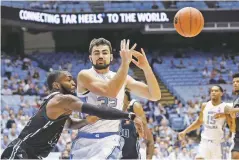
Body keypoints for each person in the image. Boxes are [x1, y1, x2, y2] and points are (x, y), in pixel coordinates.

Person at [1, 70, 144, 159]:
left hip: (33, 155)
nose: (73, 82)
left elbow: (69, 124)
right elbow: (97, 109)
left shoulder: (58, 104)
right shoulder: (63, 99)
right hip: (20, 152)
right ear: (56, 85)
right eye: (68, 79)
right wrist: (130, 116)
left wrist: (87, 121)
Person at [71, 38, 161, 159]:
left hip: (110, 140)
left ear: (111, 57)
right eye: (96, 53)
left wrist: (146, 68)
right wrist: (125, 63)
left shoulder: (122, 78)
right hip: (84, 141)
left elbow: (155, 95)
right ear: (90, 58)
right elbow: (110, 91)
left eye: (104, 52)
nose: (101, 56)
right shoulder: (84, 75)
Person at [178, 85, 234, 160]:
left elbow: (232, 126)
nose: (213, 92)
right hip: (204, 141)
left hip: (218, 142)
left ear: (221, 93)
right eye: (212, 91)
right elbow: (199, 121)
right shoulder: (205, 105)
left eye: (216, 91)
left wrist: (230, 135)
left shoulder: (226, 107)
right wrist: (185, 131)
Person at [121, 91, 154, 159]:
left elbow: (150, 141)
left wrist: (148, 158)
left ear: (128, 103)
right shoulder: (108, 113)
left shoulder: (135, 108)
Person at [214, 73, 239, 159]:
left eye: (238, 82)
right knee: (235, 155)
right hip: (238, 133)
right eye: (233, 82)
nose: (235, 84)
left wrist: (233, 110)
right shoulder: (236, 100)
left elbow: (234, 111)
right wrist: (222, 115)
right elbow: (234, 115)